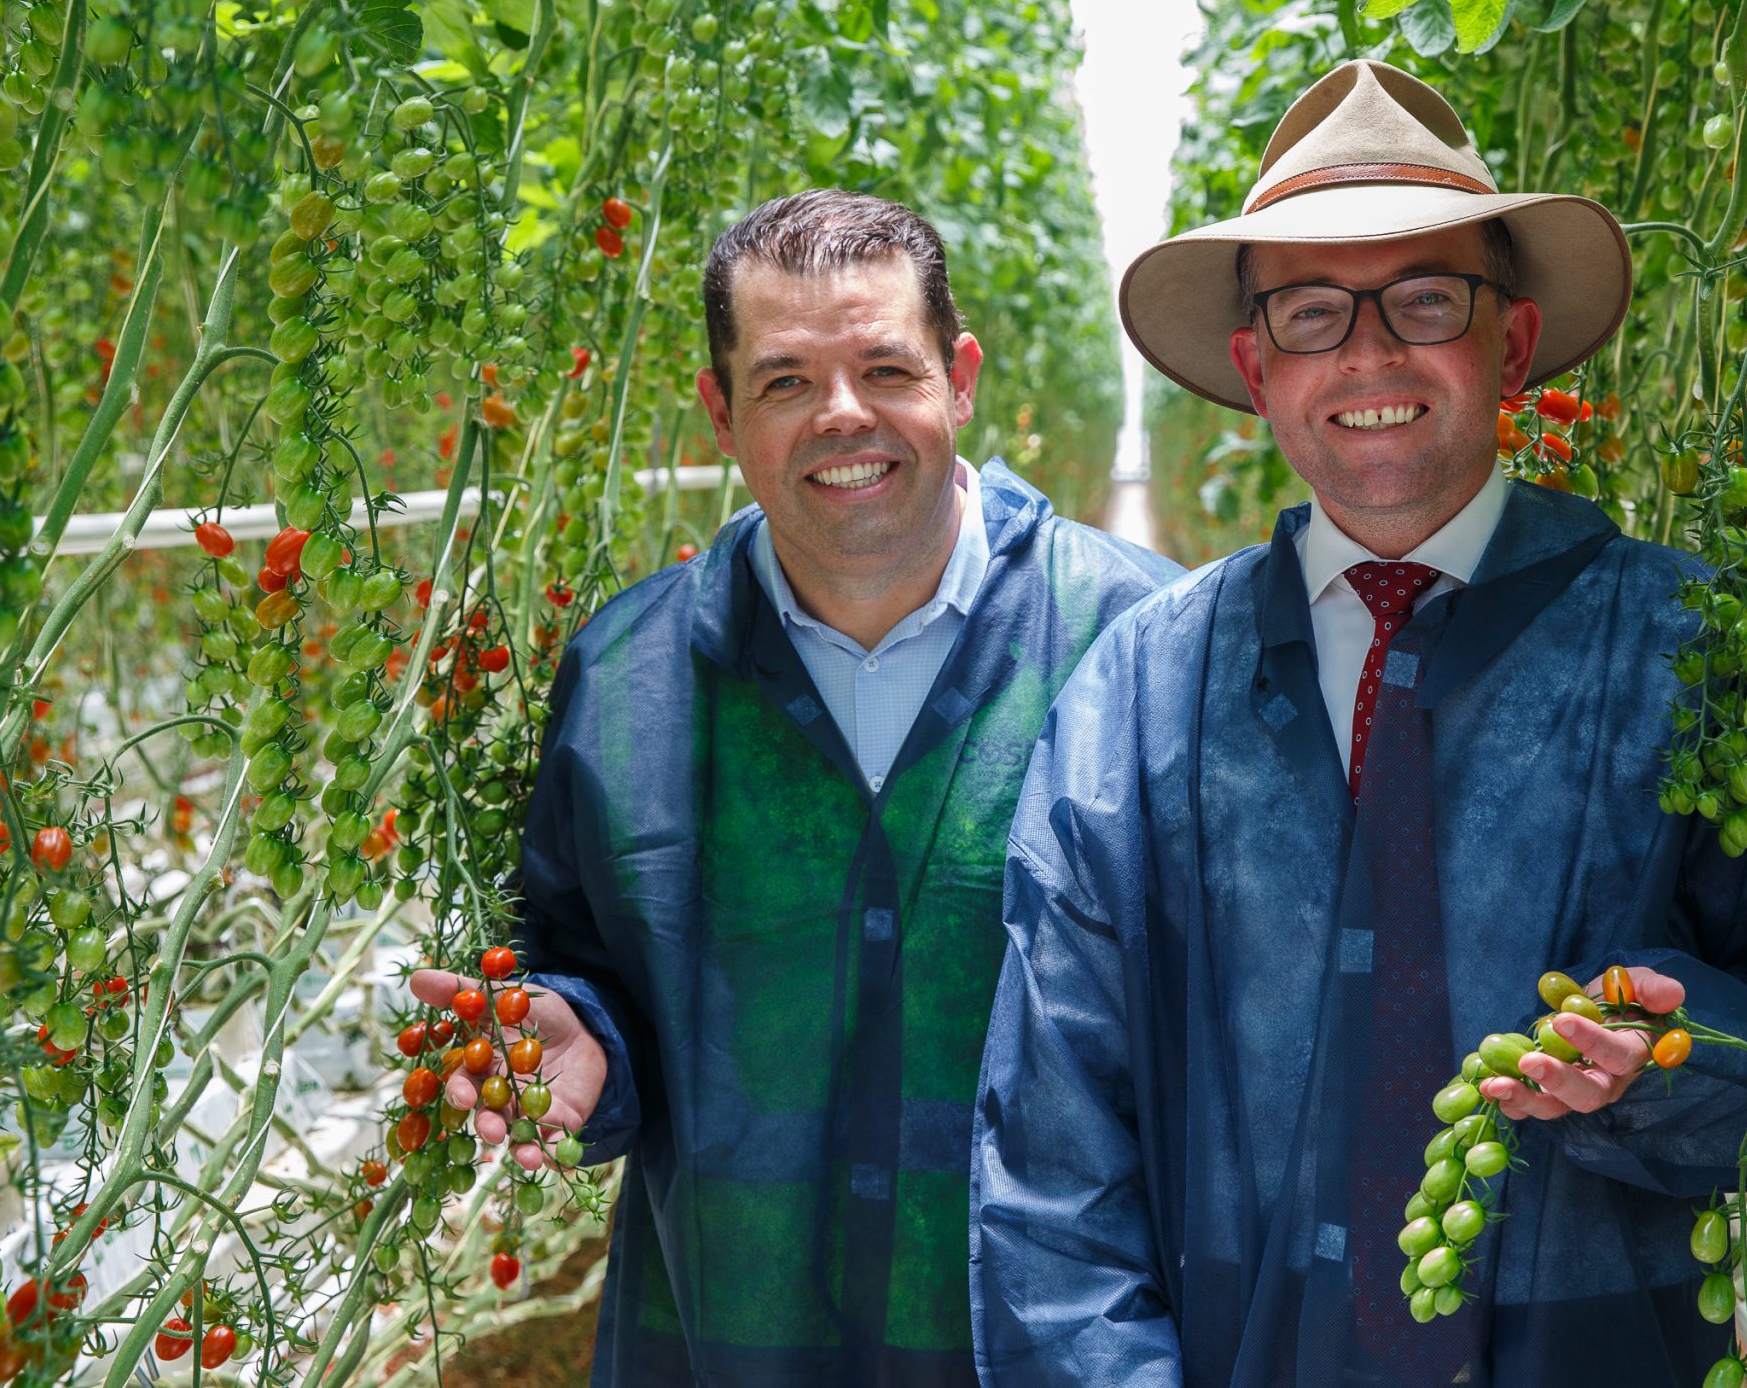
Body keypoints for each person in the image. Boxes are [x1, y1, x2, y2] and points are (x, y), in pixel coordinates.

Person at [968, 60, 1747, 1387]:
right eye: (1312, 313)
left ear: (1513, 343)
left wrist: (1671, 1058)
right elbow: (1049, 1154)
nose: (1369, 354)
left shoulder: (1696, 652)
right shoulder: (1137, 693)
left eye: (1426, 299)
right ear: (1256, 369)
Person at [412, 189, 1180, 1385]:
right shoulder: (626, 676)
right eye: (783, 383)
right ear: (720, 412)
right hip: (725, 1343)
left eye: (886, 368)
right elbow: (580, 959)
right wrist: (591, 1047)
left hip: (1043, 1353)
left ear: (959, 377)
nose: (842, 418)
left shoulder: (1141, 644)